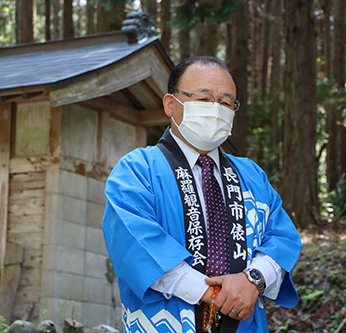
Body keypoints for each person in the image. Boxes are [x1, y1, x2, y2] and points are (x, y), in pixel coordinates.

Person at [102, 56, 302, 333]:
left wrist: (252, 281)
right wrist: (216, 294)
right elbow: (135, 243)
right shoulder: (137, 170)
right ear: (171, 104)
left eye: (226, 102)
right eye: (204, 99)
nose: (216, 109)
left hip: (244, 325)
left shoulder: (251, 175)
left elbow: (282, 238)